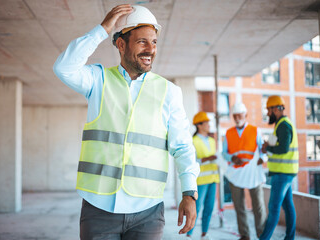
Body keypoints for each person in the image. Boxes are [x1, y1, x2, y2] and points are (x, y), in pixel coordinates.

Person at [53, 4, 200, 240]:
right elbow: (63, 68)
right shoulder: (97, 80)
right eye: (142, 42)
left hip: (148, 211)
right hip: (98, 208)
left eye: (154, 42)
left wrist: (189, 193)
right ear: (121, 44)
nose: (150, 49)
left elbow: (183, 147)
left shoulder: (169, 91)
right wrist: (102, 30)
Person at [222, 102, 267, 240]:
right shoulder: (229, 133)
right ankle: (245, 235)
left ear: (246, 115)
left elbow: (262, 150)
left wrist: (263, 159)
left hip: (253, 172)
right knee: (239, 206)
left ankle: (262, 234)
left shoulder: (255, 130)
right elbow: (224, 153)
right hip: (236, 173)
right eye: (234, 116)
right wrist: (232, 157)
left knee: (258, 206)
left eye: (239, 115)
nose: (237, 118)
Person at [259, 96, 299, 240]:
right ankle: (290, 238)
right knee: (288, 207)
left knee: (274, 208)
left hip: (283, 173)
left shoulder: (283, 125)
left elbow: (283, 148)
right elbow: (280, 146)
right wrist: (268, 147)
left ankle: (264, 238)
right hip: (284, 172)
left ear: (276, 108)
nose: (268, 113)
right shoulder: (281, 124)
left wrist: (267, 147)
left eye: (269, 110)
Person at [186, 112, 219, 240]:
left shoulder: (212, 140)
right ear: (199, 125)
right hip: (200, 181)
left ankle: (205, 234)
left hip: (213, 179)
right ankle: (189, 234)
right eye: (207, 123)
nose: (209, 125)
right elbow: (192, 161)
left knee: (209, 208)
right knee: (196, 208)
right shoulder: (193, 141)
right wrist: (207, 159)